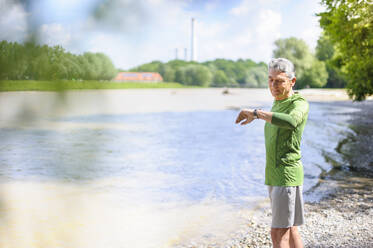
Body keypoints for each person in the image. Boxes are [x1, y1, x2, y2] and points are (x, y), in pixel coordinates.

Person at [235, 58, 309, 248]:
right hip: (274, 175)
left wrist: (257, 113)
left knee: (278, 233)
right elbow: (276, 120)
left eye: (279, 81)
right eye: (270, 80)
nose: (273, 85)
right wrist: (259, 115)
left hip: (287, 176)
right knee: (290, 228)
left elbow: (291, 121)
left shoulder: (299, 103)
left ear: (292, 82)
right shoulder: (277, 102)